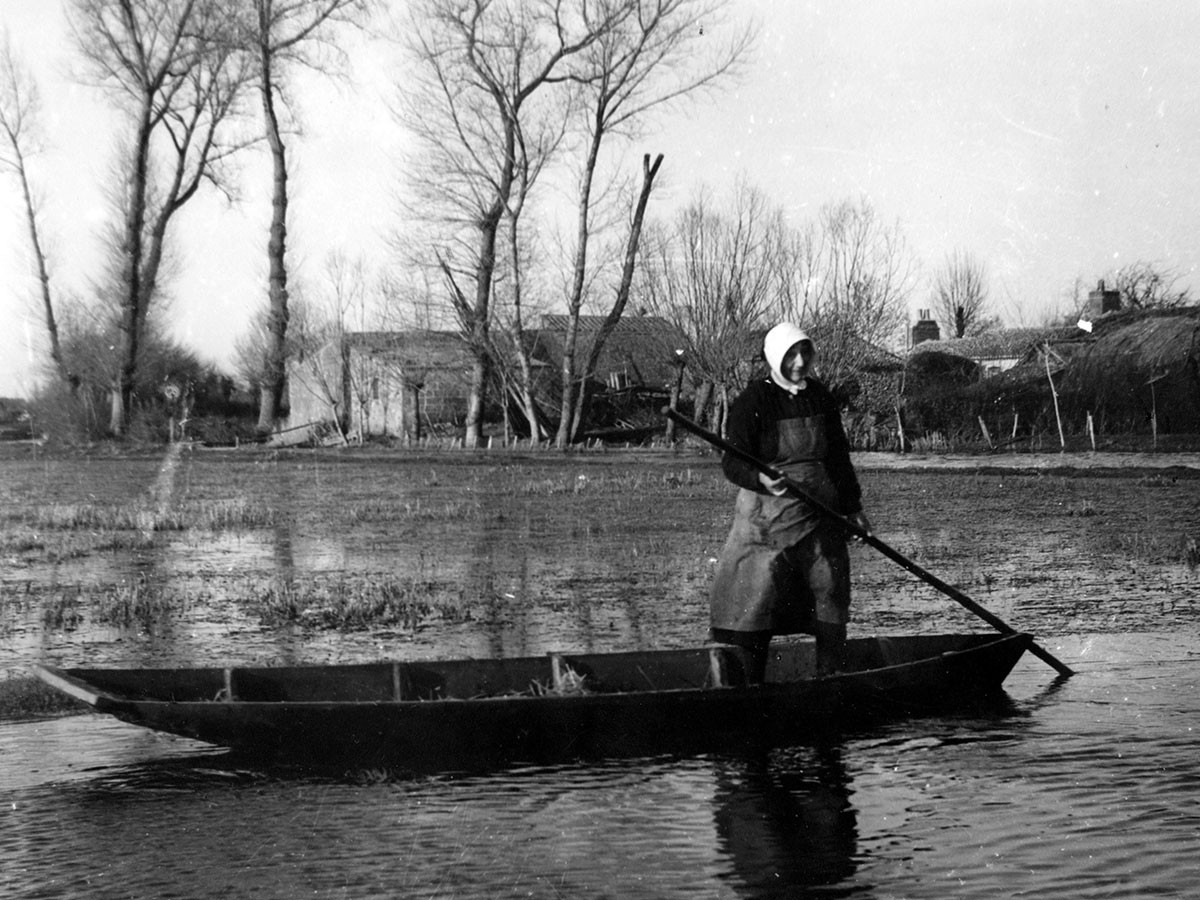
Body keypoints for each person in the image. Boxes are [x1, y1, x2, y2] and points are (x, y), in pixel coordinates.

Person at [709, 322, 872, 681]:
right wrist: (761, 477)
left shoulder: (820, 396)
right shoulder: (755, 399)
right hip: (766, 520)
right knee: (755, 597)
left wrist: (853, 508)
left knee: (829, 589)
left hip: (820, 516)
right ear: (774, 357)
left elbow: (838, 459)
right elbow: (733, 461)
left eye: (805, 353)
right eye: (791, 355)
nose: (799, 362)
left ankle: (830, 678)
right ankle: (748, 684)